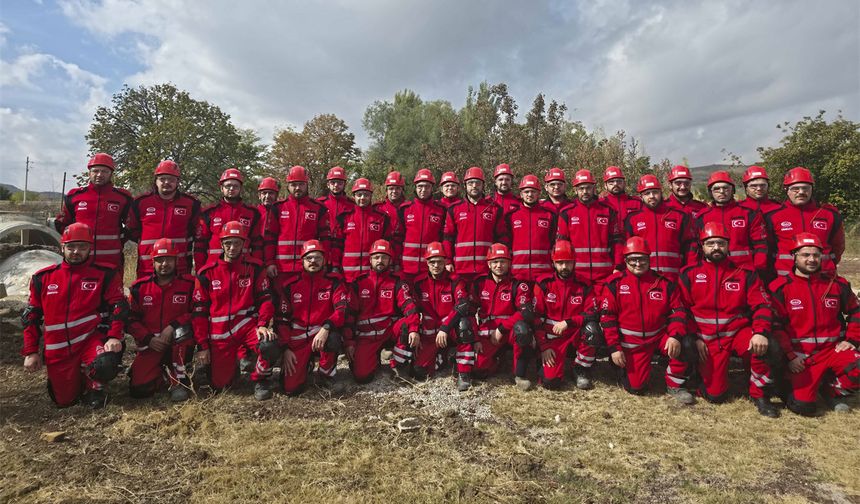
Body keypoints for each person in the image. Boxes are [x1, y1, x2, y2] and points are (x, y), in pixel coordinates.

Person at [678, 222, 779, 417]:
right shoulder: (688, 273)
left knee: (767, 345)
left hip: (736, 332)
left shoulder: (745, 273)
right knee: (715, 396)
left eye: (721, 243)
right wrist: (694, 336)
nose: (716, 247)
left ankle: (760, 394)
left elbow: (762, 306)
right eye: (711, 243)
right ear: (702, 246)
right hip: (705, 336)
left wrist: (760, 332)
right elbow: (682, 310)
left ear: (728, 245)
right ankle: (699, 375)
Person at [22, 223, 126, 408]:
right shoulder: (43, 278)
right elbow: (31, 317)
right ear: (62, 247)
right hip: (57, 348)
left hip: (89, 340)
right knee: (65, 402)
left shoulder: (105, 274)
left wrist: (114, 336)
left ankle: (95, 387)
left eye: (82, 247)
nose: (76, 251)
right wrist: (31, 352)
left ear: (90, 248)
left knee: (105, 363)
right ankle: (74, 379)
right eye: (71, 247)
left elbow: (119, 306)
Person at [769, 233, 860, 415]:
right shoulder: (780, 287)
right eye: (805, 255)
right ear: (794, 256)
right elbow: (776, 327)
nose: (811, 259)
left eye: (816, 255)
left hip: (832, 351)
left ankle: (831, 390)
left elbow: (856, 311)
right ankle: (790, 385)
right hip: (801, 358)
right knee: (803, 407)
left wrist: (852, 340)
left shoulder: (836, 284)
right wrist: (790, 357)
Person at [601, 237, 694, 404]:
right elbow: (608, 319)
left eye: (642, 259)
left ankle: (675, 384)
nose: (638, 264)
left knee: (685, 343)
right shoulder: (614, 284)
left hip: (658, 338)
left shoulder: (664, 283)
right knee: (636, 388)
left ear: (649, 259)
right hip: (631, 343)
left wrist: (674, 336)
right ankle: (620, 367)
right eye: (633, 259)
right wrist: (614, 348)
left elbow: (678, 312)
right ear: (625, 260)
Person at [191, 221, 274, 399]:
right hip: (219, 334)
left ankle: (261, 379)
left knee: (269, 344)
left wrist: (262, 324)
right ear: (221, 244)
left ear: (243, 244)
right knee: (220, 385)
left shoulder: (255, 267)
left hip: (246, 327)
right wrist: (202, 346)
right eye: (228, 243)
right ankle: (228, 366)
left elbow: (266, 299)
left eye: (237, 243)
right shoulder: (206, 273)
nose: (232, 247)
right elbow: (199, 313)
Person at [271, 240, 350, 395]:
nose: (313, 261)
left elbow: (342, 309)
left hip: (321, 333)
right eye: (309, 258)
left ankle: (326, 374)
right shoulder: (290, 285)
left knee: (333, 338)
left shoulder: (334, 282)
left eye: (318, 257)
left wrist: (326, 327)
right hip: (298, 338)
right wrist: (285, 348)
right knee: (290, 389)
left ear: (324, 260)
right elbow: (282, 319)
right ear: (302, 260)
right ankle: (306, 365)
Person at [126, 238, 196, 402]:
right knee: (139, 390)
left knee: (182, 331)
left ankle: (178, 380)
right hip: (152, 344)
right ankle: (163, 375)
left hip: (178, 343)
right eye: (160, 260)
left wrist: (173, 326)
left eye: (169, 259)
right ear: (153, 262)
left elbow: (197, 312)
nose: (164, 264)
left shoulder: (189, 285)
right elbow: (130, 320)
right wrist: (148, 339)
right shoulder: (139, 288)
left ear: (176, 261)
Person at [344, 239, 420, 383]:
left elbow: (409, 306)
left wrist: (414, 329)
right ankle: (373, 358)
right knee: (362, 377)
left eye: (384, 257)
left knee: (407, 325)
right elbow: (349, 316)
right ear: (370, 260)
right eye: (376, 257)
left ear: (390, 260)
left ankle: (398, 364)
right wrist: (349, 342)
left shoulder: (397, 282)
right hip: (366, 337)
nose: (380, 260)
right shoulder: (359, 283)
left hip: (388, 331)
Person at [404, 242, 473, 389]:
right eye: (432, 262)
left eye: (440, 262)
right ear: (427, 263)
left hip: (450, 328)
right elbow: (412, 307)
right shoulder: (419, 283)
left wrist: (445, 328)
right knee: (419, 372)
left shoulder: (455, 281)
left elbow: (463, 304)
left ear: (445, 262)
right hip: (430, 333)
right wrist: (415, 330)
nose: (436, 265)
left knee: (464, 325)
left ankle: (464, 373)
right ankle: (446, 355)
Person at [532, 240, 598, 390]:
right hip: (552, 338)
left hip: (574, 334)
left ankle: (580, 368)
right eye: (560, 263)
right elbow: (536, 318)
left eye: (568, 262)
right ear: (553, 263)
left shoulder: (584, 285)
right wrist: (544, 346)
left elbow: (592, 313)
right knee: (551, 382)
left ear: (574, 262)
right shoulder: (544, 284)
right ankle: (542, 361)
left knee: (593, 330)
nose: (564, 267)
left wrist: (568, 322)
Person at [470, 243, 536, 390]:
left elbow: (525, 312)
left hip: (509, 330)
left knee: (523, 330)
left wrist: (501, 329)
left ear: (509, 263)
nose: (499, 265)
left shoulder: (518, 284)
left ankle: (519, 375)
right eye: (495, 262)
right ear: (488, 264)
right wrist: (475, 339)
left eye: (503, 261)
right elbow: (470, 312)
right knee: (478, 370)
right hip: (487, 333)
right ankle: (498, 360)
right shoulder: (480, 283)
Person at [54, 153, 132, 269]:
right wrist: (74, 243)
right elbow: (61, 224)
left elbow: (132, 226)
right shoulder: (75, 196)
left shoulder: (123, 197)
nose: (99, 175)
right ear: (89, 173)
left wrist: (117, 241)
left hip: (111, 259)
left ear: (111, 174)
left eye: (104, 171)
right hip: (80, 259)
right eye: (96, 171)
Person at [765, 167, 845, 278]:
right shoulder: (773, 216)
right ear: (786, 190)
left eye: (805, 188)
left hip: (823, 278)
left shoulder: (829, 215)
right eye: (795, 189)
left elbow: (838, 246)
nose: (801, 192)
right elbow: (768, 248)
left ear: (812, 189)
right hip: (786, 280)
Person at [127, 160, 201, 277]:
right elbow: (132, 231)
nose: (166, 182)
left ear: (178, 182)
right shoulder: (140, 202)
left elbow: (196, 232)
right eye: (162, 179)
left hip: (179, 268)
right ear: (156, 181)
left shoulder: (191, 203)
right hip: (147, 267)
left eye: (171, 179)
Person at [557, 169, 624, 288]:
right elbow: (562, 245)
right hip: (577, 275)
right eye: (581, 188)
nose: (585, 192)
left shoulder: (608, 210)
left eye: (588, 188)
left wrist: (618, 266)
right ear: (575, 190)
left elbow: (617, 241)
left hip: (605, 274)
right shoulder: (567, 212)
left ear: (594, 188)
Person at [442, 167, 509, 283]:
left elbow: (502, 237)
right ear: (465, 186)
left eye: (477, 183)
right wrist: (448, 261)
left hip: (487, 270)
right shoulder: (454, 209)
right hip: (460, 269)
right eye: (470, 183)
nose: (474, 186)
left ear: (483, 185)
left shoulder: (494, 208)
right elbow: (448, 237)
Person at [625, 174, 697, 279]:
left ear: (661, 193)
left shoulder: (679, 216)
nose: (651, 196)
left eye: (655, 192)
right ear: (641, 196)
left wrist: (690, 272)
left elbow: (689, 246)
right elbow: (626, 250)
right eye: (647, 193)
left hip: (674, 277)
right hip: (645, 278)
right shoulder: (633, 219)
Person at [695, 171, 767, 271]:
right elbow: (697, 246)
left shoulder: (748, 213)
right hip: (713, 271)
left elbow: (760, 243)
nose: (721, 191)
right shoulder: (702, 216)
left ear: (732, 190)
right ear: (710, 192)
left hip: (744, 270)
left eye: (726, 188)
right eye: (717, 189)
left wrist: (758, 267)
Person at [194, 168, 263, 272]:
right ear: (221, 188)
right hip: (214, 269)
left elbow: (257, 244)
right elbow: (200, 245)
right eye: (228, 186)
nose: (231, 189)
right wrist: (200, 270)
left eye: (235, 186)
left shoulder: (252, 213)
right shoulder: (209, 213)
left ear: (241, 188)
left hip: (243, 269)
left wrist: (256, 268)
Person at [269, 166, 332, 279]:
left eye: (301, 184)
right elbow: (270, 237)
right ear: (288, 186)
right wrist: (269, 262)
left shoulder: (319, 208)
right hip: (281, 269)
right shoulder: (277, 207)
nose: (298, 188)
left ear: (307, 185)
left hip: (308, 268)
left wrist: (324, 262)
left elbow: (325, 239)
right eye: (294, 184)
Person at [337, 178, 390, 281]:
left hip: (372, 275)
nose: (362, 198)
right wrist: (335, 266)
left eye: (366, 195)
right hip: (348, 274)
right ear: (354, 196)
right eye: (359, 194)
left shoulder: (381, 217)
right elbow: (337, 244)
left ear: (371, 196)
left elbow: (388, 244)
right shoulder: (345, 217)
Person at [399, 169, 448, 282]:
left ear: (432, 188)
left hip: (431, 268)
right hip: (407, 268)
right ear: (415, 188)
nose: (423, 190)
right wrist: (397, 263)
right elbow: (398, 238)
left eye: (427, 186)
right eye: (420, 186)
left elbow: (445, 237)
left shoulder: (441, 210)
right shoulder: (405, 209)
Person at [505, 175, 557, 281]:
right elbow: (507, 243)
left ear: (539, 193)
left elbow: (553, 242)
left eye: (533, 191)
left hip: (543, 274)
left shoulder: (549, 215)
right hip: (518, 273)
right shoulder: (511, 216)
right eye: (526, 191)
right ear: (521, 194)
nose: (530, 194)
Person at [317, 166, 355, 274]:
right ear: (328, 184)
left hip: (344, 250)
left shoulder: (352, 205)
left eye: (339, 183)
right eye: (333, 182)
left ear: (344, 184)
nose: (336, 185)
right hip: (323, 249)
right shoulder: (320, 204)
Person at [373, 171, 406, 271]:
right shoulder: (378, 208)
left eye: (397, 188)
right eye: (391, 188)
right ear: (386, 190)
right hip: (382, 255)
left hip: (403, 254)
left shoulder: (408, 208)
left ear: (402, 190)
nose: (394, 191)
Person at [256, 177, 281, 277]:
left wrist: (271, 262)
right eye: (264, 193)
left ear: (276, 195)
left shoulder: (280, 212)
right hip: (256, 260)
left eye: (271, 193)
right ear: (259, 195)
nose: (267, 196)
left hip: (275, 262)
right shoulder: (253, 213)